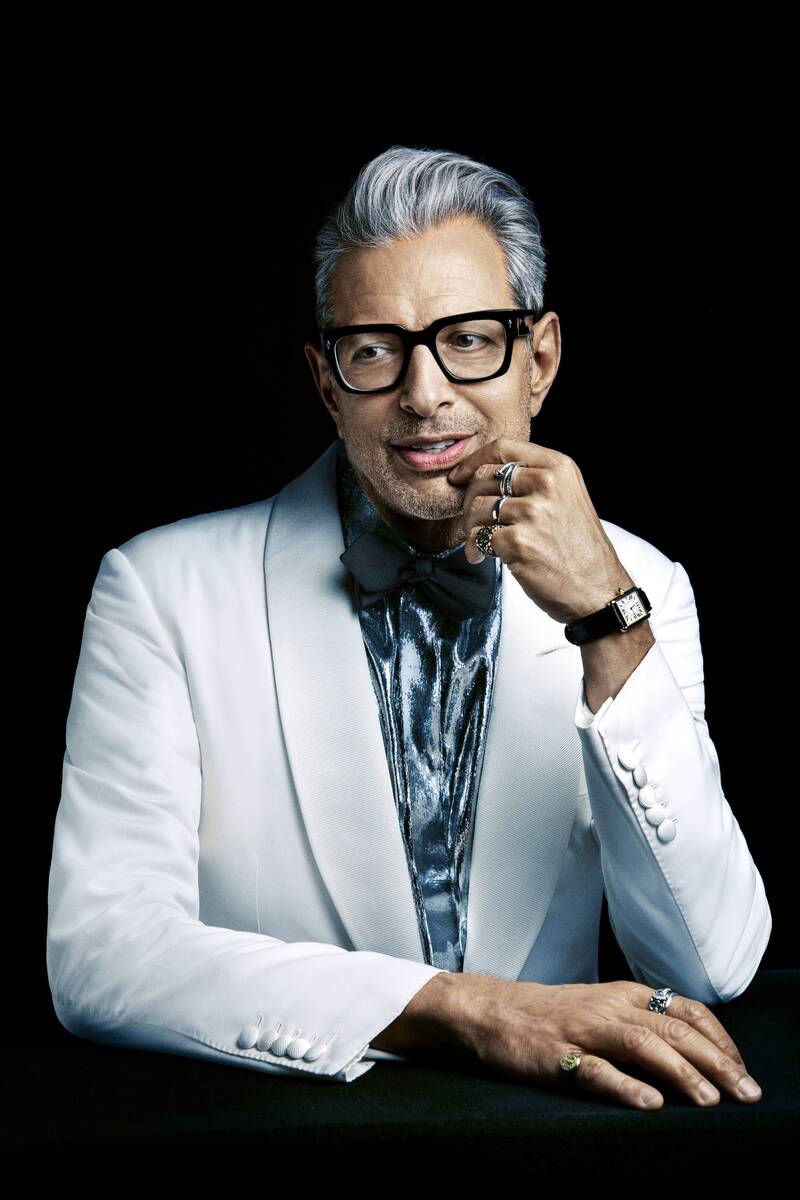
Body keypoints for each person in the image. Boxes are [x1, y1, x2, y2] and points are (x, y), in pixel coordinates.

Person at [47, 145, 770, 1111]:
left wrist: (609, 622)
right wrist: (471, 1011)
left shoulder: (644, 589)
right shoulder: (159, 592)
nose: (425, 394)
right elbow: (102, 954)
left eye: (470, 338)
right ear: (325, 381)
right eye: (376, 349)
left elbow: (710, 964)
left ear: (540, 360)